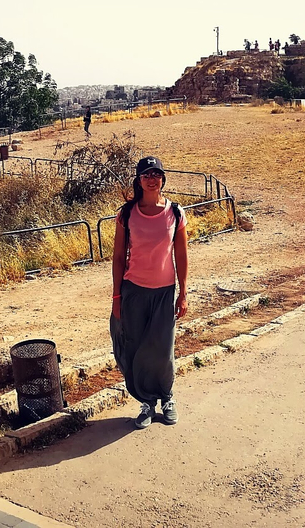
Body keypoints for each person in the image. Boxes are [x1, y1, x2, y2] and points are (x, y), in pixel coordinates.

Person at [111, 156, 190, 428]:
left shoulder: (175, 213)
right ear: (139, 180)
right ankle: (146, 403)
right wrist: (116, 297)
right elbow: (119, 257)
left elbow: (181, 253)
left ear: (163, 179)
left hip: (164, 292)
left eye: (156, 174)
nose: (152, 179)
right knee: (134, 347)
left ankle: (167, 397)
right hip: (133, 291)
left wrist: (183, 292)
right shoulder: (127, 214)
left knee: (162, 348)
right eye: (146, 175)